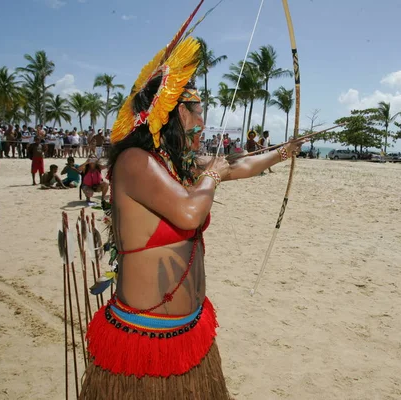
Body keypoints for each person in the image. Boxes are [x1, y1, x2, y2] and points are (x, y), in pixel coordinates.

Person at [78, 15, 305, 399]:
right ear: (179, 112)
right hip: (146, 337)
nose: (203, 120)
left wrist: (283, 153)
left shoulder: (175, 163)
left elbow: (238, 165)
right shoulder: (136, 161)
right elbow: (189, 212)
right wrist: (212, 176)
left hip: (188, 331)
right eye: (199, 110)